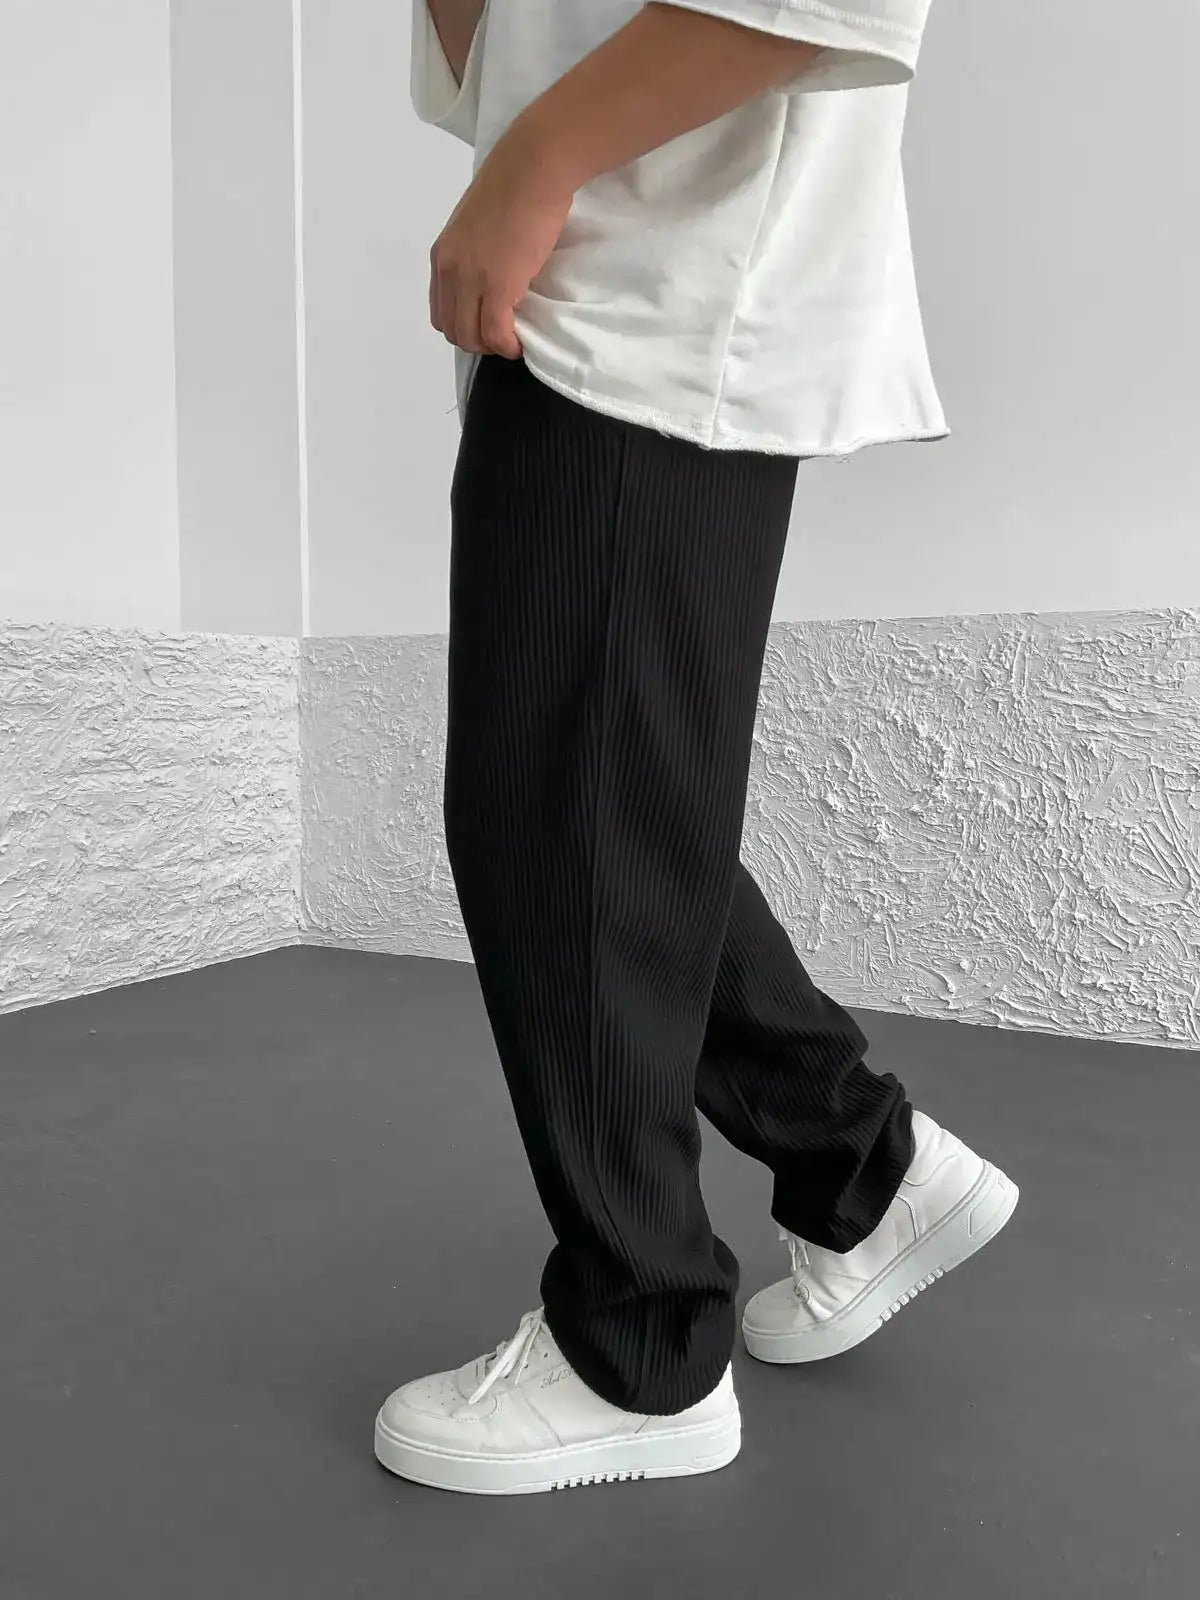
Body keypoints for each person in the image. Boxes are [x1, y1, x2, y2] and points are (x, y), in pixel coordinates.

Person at [374, 0, 1018, 1496]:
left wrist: (530, 167)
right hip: (600, 295)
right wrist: (522, 158)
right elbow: (489, 50)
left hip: (660, 292)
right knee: (595, 797)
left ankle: (642, 1351)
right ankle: (861, 1168)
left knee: (572, 808)